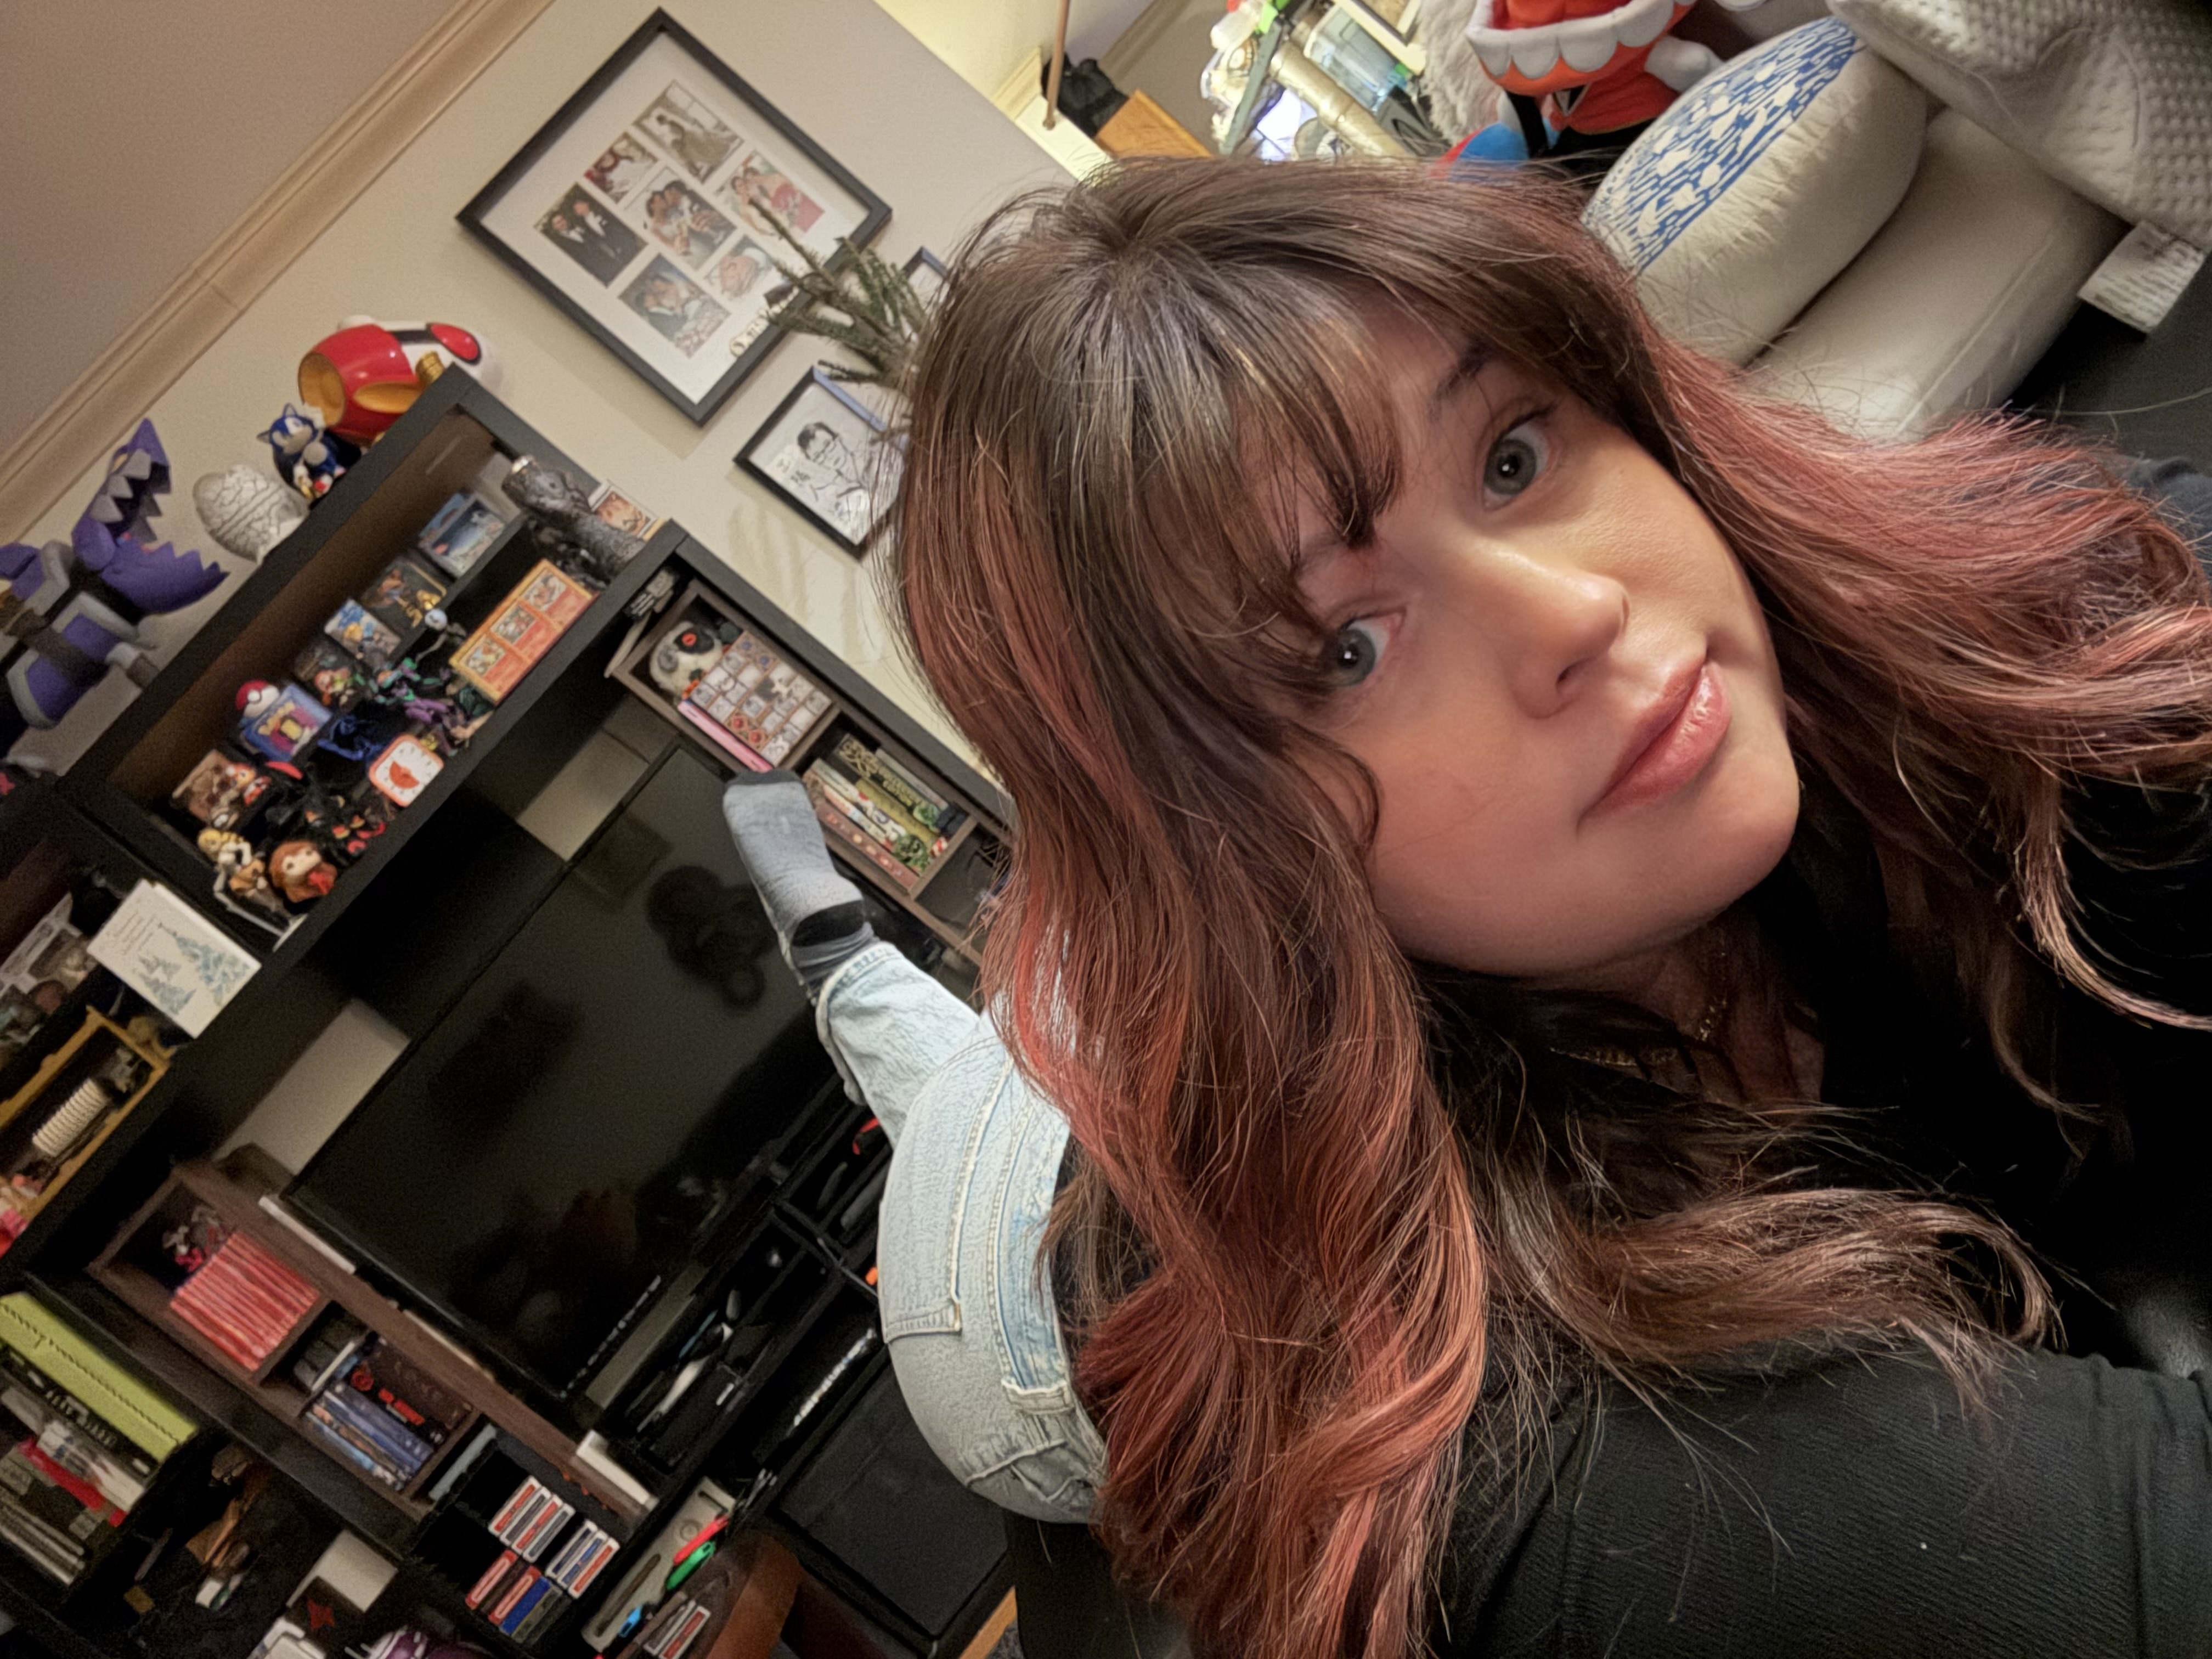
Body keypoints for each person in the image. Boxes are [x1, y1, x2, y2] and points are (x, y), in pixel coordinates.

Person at [722, 156, 2212, 1659]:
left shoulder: (2006, 620)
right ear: (1236, 857)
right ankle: (848, 961)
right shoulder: (1550, 1459)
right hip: (991, 1287)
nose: (1579, 611)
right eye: (1346, 652)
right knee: (955, 1092)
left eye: (1510, 457)